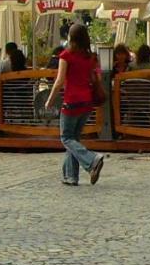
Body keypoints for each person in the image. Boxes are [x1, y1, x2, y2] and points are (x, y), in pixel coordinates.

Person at [44, 23, 106, 186]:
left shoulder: (66, 55)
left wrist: (50, 100)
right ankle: (71, 177)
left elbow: (59, 81)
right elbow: (97, 78)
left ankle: (92, 159)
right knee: (74, 139)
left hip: (71, 101)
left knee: (66, 138)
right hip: (86, 102)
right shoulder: (91, 57)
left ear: (71, 37)